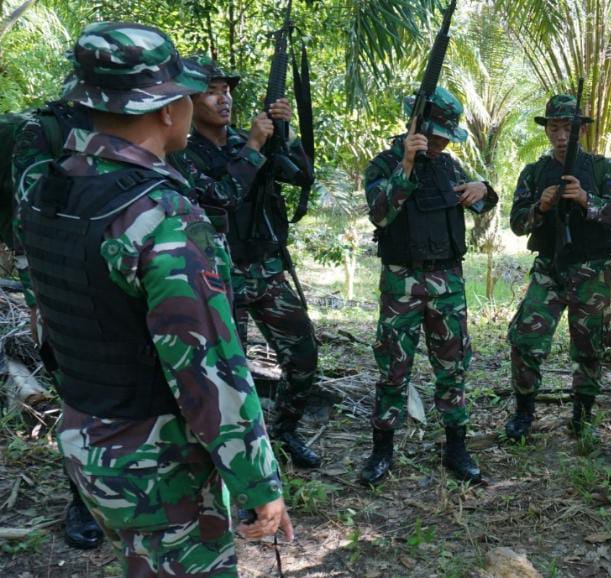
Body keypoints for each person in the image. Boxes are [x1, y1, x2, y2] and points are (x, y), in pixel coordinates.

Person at [21, 22, 291, 575]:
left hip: (87, 441)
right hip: (159, 464)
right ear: (168, 109)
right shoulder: (163, 218)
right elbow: (209, 367)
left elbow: (50, 321)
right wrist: (257, 481)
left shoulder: (49, 190)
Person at [168, 54, 322, 468]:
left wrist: (284, 137)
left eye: (228, 91)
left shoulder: (241, 140)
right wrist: (254, 146)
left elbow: (301, 177)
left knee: (304, 357)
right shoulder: (180, 152)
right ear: (187, 101)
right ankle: (230, 453)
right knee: (226, 374)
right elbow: (221, 196)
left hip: (266, 270)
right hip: (216, 276)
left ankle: (285, 431)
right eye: (212, 92)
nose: (224, 100)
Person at [359, 87, 497, 486]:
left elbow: (482, 203)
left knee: (453, 368)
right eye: (433, 137)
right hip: (402, 281)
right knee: (393, 368)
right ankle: (382, 449)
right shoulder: (385, 165)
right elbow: (381, 214)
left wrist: (484, 189)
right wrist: (405, 162)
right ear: (414, 127)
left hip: (448, 281)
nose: (439, 145)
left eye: (444, 139)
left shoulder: (449, 167)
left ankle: (456, 446)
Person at [9, 99, 104, 550]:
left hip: (131, 274)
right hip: (65, 285)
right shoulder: (46, 130)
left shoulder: (151, 119)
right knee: (78, 390)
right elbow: (33, 218)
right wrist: (38, 295)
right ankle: (83, 500)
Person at [504, 93, 611, 442]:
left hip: (592, 270)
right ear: (547, 132)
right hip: (550, 269)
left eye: (568, 130)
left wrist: (587, 200)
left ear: (580, 132)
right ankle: (523, 412)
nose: (561, 136)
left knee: (589, 346)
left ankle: (582, 414)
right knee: (526, 340)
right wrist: (540, 208)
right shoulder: (535, 172)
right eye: (555, 128)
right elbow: (517, 224)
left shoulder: (604, 169)